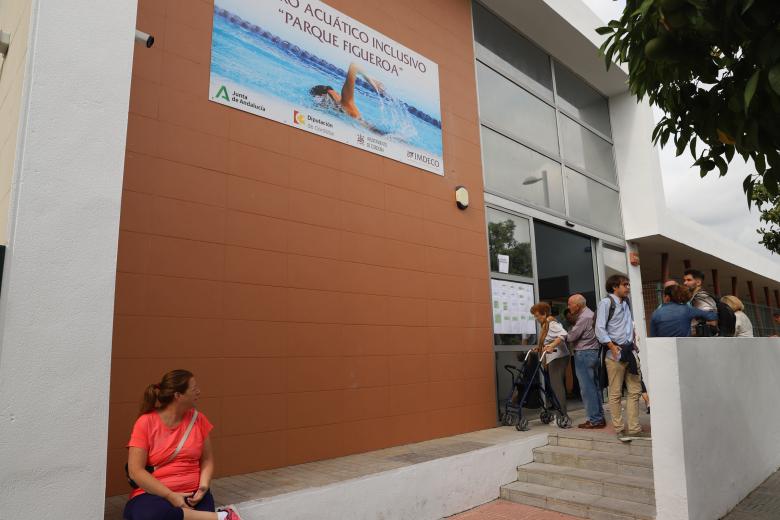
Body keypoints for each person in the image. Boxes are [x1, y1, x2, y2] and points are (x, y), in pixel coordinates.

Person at [124, 369, 241, 520]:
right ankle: (220, 517)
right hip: (154, 494)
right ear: (178, 395)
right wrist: (170, 495)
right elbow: (136, 471)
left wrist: (203, 486)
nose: (199, 392)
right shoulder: (146, 422)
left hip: (193, 494)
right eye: (194, 389)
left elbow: (207, 460)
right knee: (149, 515)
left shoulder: (199, 420)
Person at [595, 275, 649, 441]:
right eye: (624, 285)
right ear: (614, 287)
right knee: (616, 393)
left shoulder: (626, 303)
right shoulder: (606, 303)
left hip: (629, 352)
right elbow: (599, 328)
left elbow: (628, 326)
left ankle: (634, 428)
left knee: (635, 391)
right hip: (614, 354)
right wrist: (611, 346)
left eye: (628, 284)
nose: (627, 287)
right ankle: (619, 428)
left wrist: (633, 344)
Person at [309, 62, 387, 134]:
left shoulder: (345, 102)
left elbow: (354, 66)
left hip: (377, 133)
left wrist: (372, 81)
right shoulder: (339, 107)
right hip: (374, 132)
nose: (338, 93)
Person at [565, 294, 605, 429]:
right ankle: (598, 418)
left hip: (584, 354)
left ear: (578, 305)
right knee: (594, 387)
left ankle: (594, 420)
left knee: (587, 389)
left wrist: (562, 333)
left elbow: (571, 337)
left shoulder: (584, 317)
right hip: (593, 353)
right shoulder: (590, 314)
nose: (568, 307)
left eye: (570, 304)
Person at [530, 302, 571, 423]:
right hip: (554, 357)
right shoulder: (545, 325)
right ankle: (561, 414)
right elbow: (549, 340)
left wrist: (552, 345)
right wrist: (540, 348)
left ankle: (562, 416)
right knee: (555, 386)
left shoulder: (551, 323)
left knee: (557, 386)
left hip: (558, 358)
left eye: (537, 315)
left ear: (544, 314)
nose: (536, 318)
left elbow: (564, 334)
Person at [650, 285, 718, 337]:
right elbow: (712, 316)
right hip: (683, 349)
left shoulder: (656, 313)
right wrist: (700, 321)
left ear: (667, 298)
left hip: (663, 350)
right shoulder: (687, 310)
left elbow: (653, 336)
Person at [682, 269, 718, 336]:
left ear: (698, 282)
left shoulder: (701, 297)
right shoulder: (695, 297)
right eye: (684, 280)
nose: (685, 283)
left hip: (702, 340)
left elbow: (712, 321)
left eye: (689, 280)